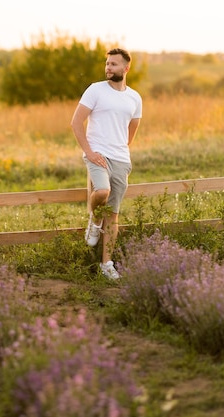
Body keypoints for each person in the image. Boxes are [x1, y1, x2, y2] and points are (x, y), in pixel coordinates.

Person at [70, 48, 142, 279]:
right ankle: (94, 219)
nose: (108, 67)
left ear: (126, 68)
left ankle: (106, 264)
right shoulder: (96, 90)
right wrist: (89, 152)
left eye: (113, 64)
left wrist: (122, 149)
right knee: (102, 191)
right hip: (97, 155)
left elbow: (133, 128)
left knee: (114, 214)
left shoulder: (134, 97)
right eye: (107, 64)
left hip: (121, 159)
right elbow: (76, 122)